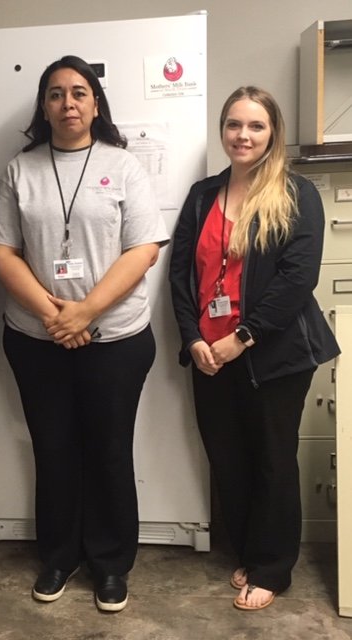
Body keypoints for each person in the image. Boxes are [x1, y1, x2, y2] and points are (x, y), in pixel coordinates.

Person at [0, 55, 169, 612]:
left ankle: (111, 564)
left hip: (116, 338)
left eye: (79, 93)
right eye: (57, 94)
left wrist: (85, 312)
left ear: (95, 104)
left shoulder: (123, 166)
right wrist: (54, 315)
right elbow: (1, 251)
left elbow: (143, 250)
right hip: (38, 340)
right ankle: (60, 555)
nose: (69, 104)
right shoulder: (21, 169)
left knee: (109, 451)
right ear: (44, 105)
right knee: (54, 449)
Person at [169, 86, 339, 611]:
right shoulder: (202, 195)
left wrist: (240, 339)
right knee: (229, 458)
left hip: (273, 354)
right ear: (223, 130)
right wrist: (195, 338)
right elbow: (179, 273)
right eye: (234, 125)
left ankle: (272, 567)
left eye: (256, 126)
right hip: (208, 354)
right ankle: (248, 548)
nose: (243, 135)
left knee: (271, 459)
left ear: (273, 133)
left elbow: (296, 278)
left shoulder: (295, 193)